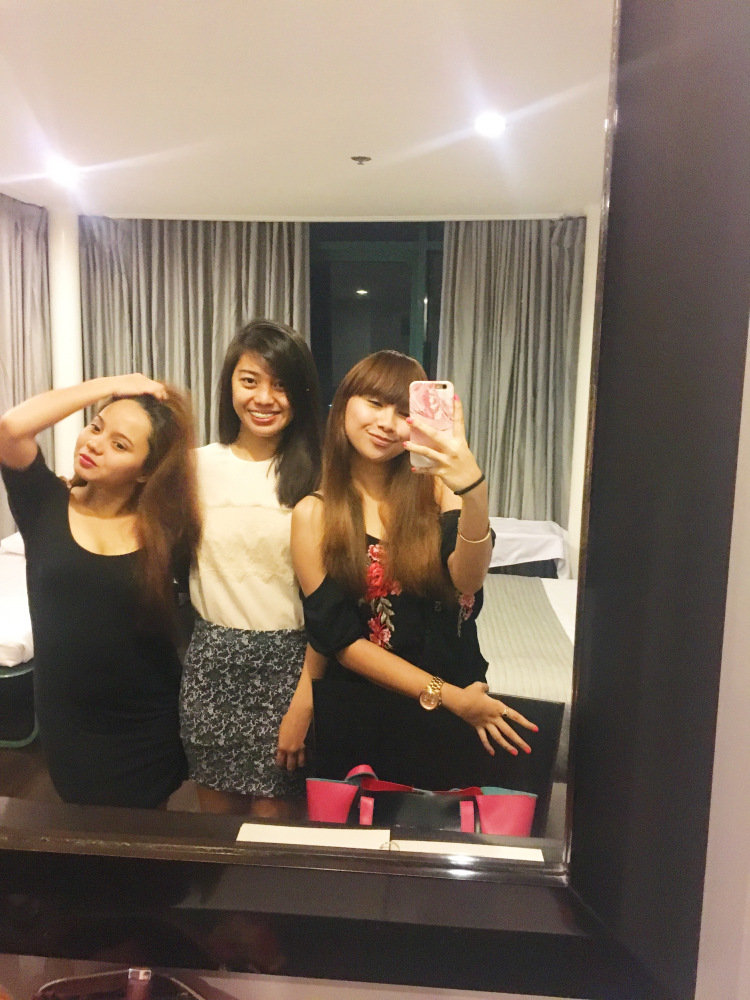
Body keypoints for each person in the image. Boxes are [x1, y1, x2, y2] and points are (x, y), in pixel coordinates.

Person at [291, 350, 537, 779]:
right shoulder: (315, 514)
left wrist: (475, 493)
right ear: (344, 404)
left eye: (404, 412)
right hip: (369, 709)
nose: (387, 422)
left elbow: (467, 581)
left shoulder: (440, 490)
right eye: (373, 403)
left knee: (457, 816)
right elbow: (341, 641)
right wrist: (448, 697)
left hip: (464, 702)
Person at [0, 375, 202, 809]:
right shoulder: (44, 503)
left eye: (120, 444)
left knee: (145, 832)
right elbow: (10, 429)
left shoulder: (166, 530)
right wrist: (115, 384)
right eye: (96, 427)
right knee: (80, 826)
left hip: (148, 722)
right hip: (69, 724)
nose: (95, 444)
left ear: (146, 471)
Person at [179, 319, 323, 816]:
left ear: (301, 393)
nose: (264, 398)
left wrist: (304, 700)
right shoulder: (193, 468)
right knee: (214, 833)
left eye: (281, 384)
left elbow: (332, 604)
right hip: (212, 663)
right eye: (250, 381)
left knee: (272, 831)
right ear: (230, 386)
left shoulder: (321, 475)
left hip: (291, 667)